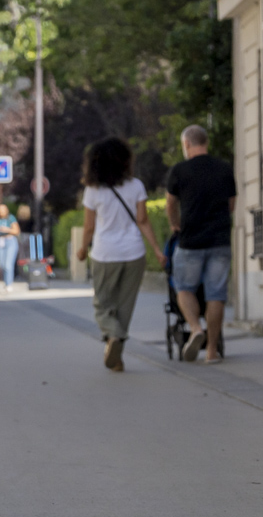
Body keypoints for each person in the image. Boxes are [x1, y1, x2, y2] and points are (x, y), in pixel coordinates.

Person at [76, 137, 164, 371]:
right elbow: (143, 221)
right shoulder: (136, 186)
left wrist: (83, 248)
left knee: (102, 305)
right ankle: (116, 355)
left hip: (105, 254)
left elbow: (89, 227)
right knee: (125, 306)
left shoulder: (93, 190)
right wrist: (156, 249)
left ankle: (113, 337)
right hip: (134, 253)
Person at [165, 124, 238, 362]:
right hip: (219, 240)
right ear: (206, 142)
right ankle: (211, 350)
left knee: (184, 288)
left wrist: (175, 225)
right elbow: (231, 205)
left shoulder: (179, 171)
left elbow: (170, 205)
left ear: (186, 144)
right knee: (216, 294)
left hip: (190, 241)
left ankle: (195, 328)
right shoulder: (224, 169)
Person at [0, 202, 21, 289]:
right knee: (2, 264)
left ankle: (9, 284)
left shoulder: (10, 218)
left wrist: (7, 230)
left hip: (10, 240)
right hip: (0, 241)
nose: (1, 212)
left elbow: (16, 231)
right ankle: (6, 282)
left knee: (8, 264)